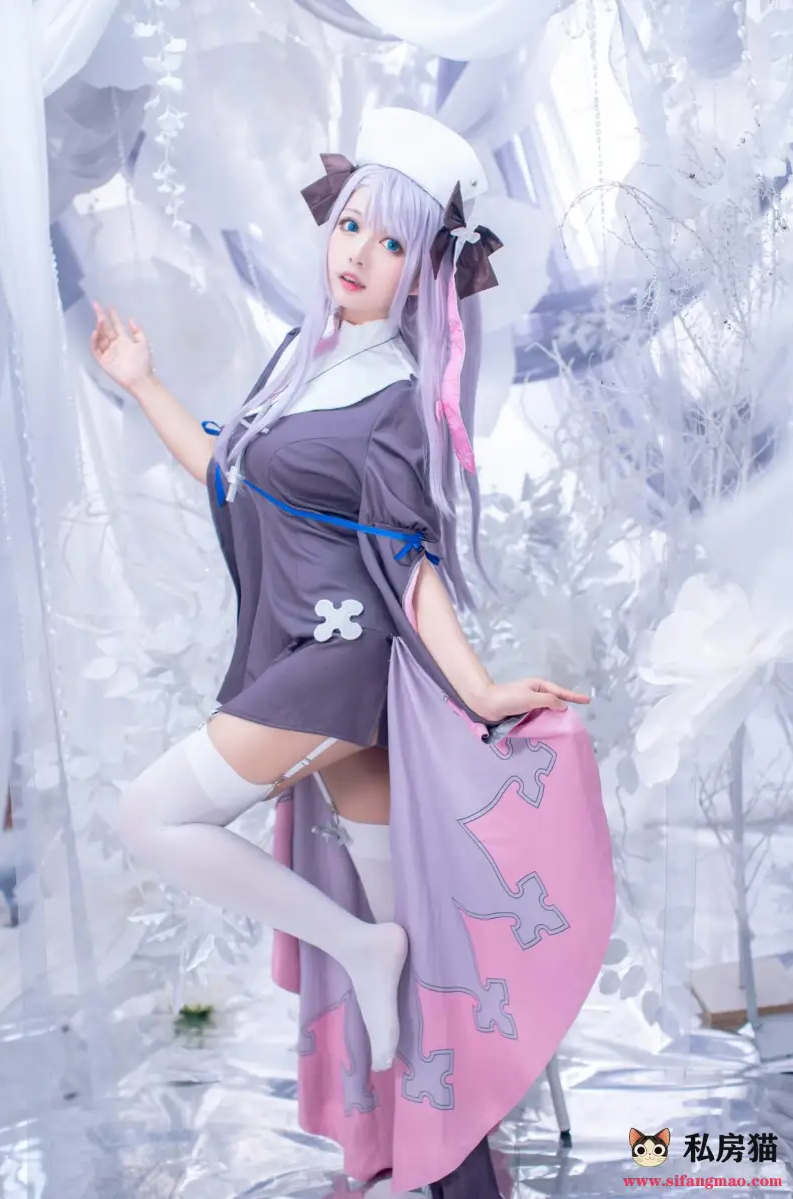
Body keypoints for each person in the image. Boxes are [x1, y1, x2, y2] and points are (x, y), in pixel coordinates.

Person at [90, 108, 615, 1199]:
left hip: (341, 666)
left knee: (152, 816)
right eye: (352, 226)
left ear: (424, 271)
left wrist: (477, 685)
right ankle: (428, 1163)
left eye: (391, 243)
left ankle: (359, 955)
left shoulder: (399, 399)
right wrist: (140, 381)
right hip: (306, 659)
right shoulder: (304, 357)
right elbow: (229, 473)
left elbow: (410, 562)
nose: (359, 254)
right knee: (408, 920)